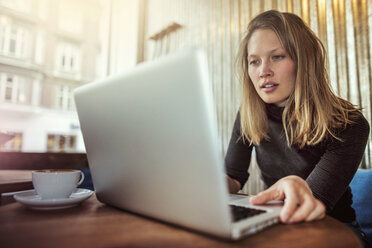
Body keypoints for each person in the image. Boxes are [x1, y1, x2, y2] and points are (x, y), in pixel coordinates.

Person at [225, 10, 370, 247]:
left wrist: (290, 185)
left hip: (333, 229)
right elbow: (233, 177)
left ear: (304, 60)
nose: (263, 71)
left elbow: (310, 203)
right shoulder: (250, 113)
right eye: (254, 61)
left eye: (277, 56)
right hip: (276, 222)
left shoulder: (350, 124)